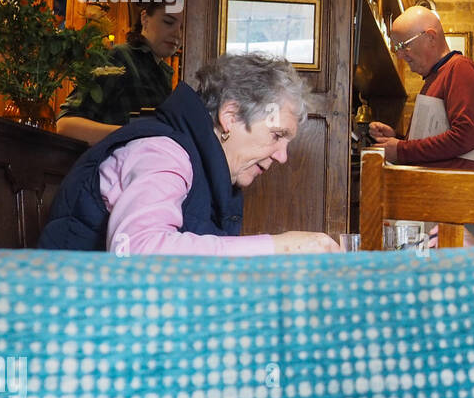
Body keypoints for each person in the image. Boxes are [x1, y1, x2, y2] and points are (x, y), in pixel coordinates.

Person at [39, 52, 338, 255]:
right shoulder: (163, 153)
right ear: (231, 116)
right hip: (72, 328)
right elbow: (138, 252)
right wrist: (278, 248)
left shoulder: (208, 168)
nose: (282, 157)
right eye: (277, 135)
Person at [368, 5, 474, 169]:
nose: (400, 55)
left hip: (450, 190)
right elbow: (435, 145)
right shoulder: (436, 75)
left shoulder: (460, 68)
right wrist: (398, 140)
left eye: (403, 45)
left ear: (431, 37)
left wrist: (401, 149)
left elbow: (466, 137)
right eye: (396, 48)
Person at [56, 1, 182, 147]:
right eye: (168, 22)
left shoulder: (163, 73)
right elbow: (66, 125)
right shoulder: (119, 57)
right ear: (145, 19)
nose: (177, 34)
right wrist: (134, 135)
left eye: (183, 28)